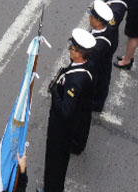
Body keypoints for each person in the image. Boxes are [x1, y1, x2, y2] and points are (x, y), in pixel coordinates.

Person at [43, 28, 96, 192]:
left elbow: (65, 111)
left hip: (61, 129)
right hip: (71, 124)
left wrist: (54, 92)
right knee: (57, 160)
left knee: (55, 162)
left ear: (79, 54)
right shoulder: (86, 65)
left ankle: (52, 189)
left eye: (72, 48)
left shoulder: (75, 81)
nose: (69, 50)